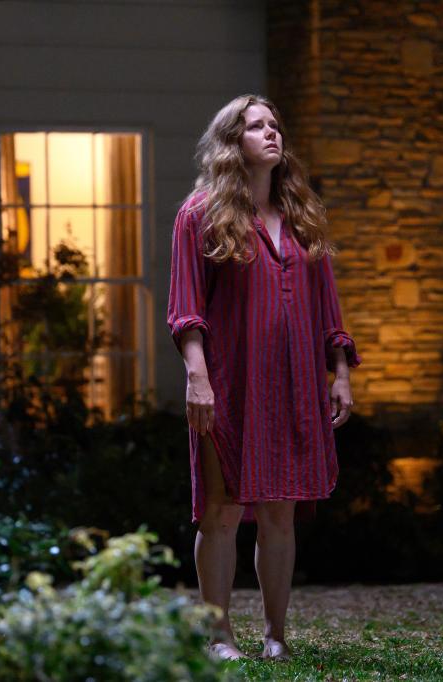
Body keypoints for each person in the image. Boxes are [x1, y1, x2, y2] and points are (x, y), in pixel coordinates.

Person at [166, 94, 361, 662]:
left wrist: (340, 373)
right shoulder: (199, 214)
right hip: (229, 384)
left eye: (275, 125)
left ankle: (276, 635)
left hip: (293, 384)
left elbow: (328, 306)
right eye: (256, 126)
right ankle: (219, 635)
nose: (272, 133)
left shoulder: (302, 217)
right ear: (233, 142)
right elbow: (185, 307)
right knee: (221, 513)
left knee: (280, 512)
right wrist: (197, 377)